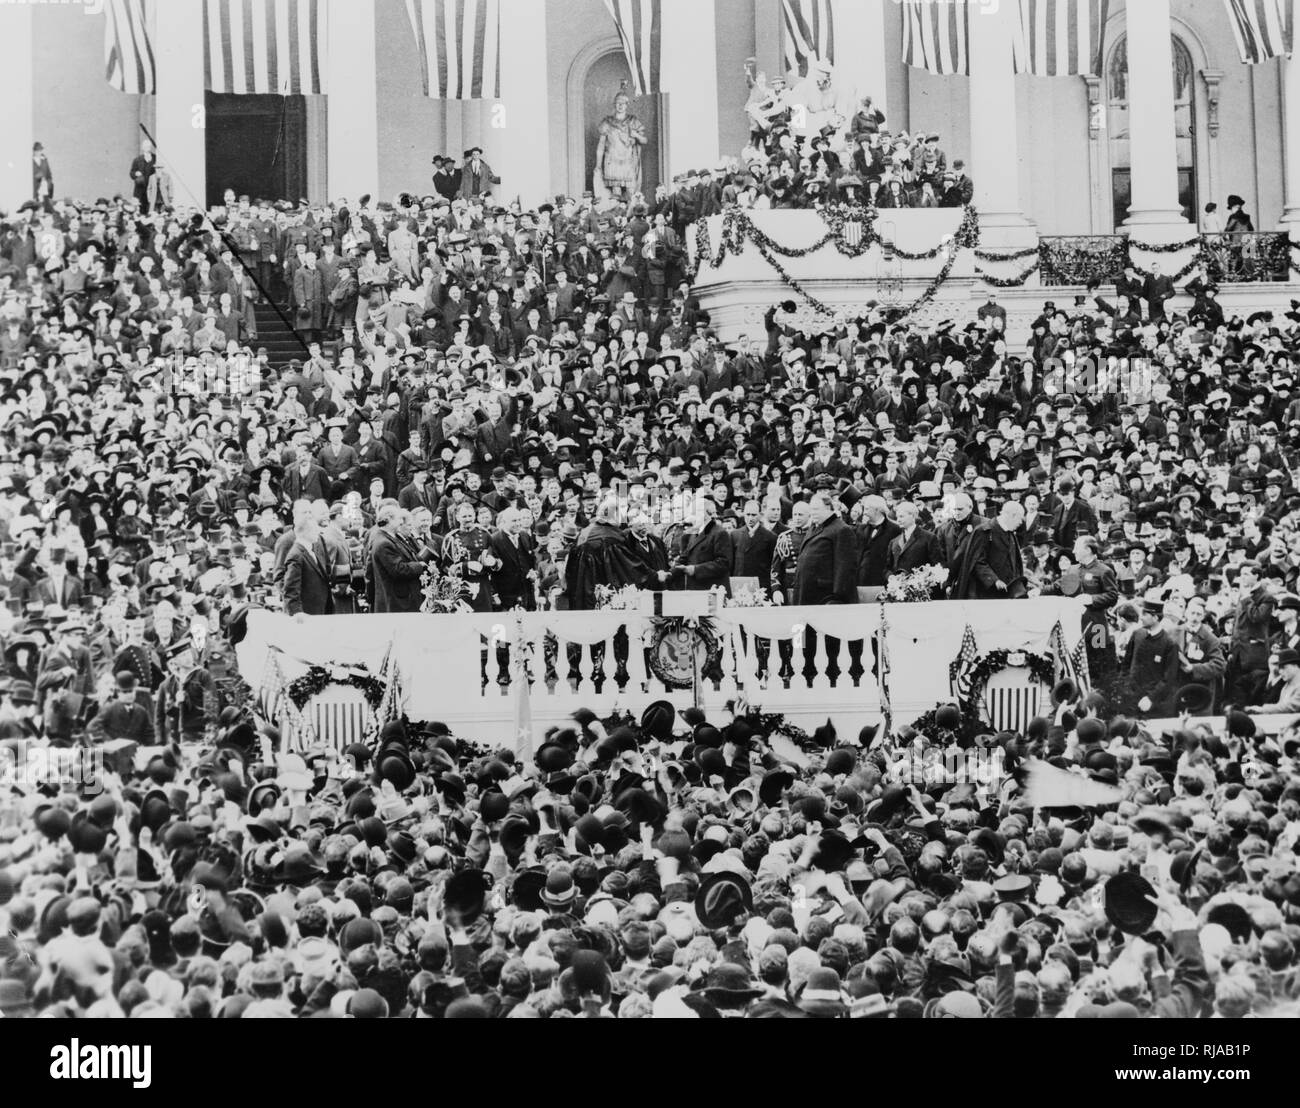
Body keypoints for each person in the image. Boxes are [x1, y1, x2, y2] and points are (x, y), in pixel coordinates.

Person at [955, 501, 1026, 599]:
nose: (1021, 523)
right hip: (986, 593)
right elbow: (977, 561)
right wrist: (994, 580)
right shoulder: (984, 531)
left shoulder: (1011, 534)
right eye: (1020, 519)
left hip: (1007, 593)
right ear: (1012, 515)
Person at [369, 504, 427, 614]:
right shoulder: (384, 543)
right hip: (397, 601)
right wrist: (420, 566)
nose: (401, 522)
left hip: (402, 599)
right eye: (399, 518)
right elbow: (398, 569)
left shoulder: (389, 538)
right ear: (389, 519)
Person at [594, 91, 648, 201]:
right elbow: (601, 145)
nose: (620, 105)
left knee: (631, 193)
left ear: (627, 105)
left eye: (623, 103)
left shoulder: (633, 121)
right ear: (614, 104)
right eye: (618, 103)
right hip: (612, 161)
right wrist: (598, 165)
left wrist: (636, 135)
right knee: (615, 194)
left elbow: (644, 140)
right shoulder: (607, 122)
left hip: (628, 161)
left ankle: (631, 215)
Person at [282, 518, 336, 617]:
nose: (318, 532)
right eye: (315, 529)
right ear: (305, 532)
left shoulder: (310, 550)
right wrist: (297, 613)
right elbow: (290, 590)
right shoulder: (296, 555)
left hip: (319, 609)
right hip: (307, 613)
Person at [886, 501, 942, 576]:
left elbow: (938, 565)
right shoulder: (894, 542)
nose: (898, 520)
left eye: (901, 516)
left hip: (921, 585)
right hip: (899, 586)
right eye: (897, 517)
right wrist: (892, 579)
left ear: (912, 516)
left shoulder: (929, 538)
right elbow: (888, 568)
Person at [129, 138, 158, 214]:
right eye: (145, 146)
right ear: (142, 148)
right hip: (140, 189)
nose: (147, 148)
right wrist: (136, 173)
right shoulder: (137, 160)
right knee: (139, 208)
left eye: (149, 146)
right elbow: (131, 173)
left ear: (151, 147)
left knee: (151, 207)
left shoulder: (155, 158)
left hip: (152, 188)